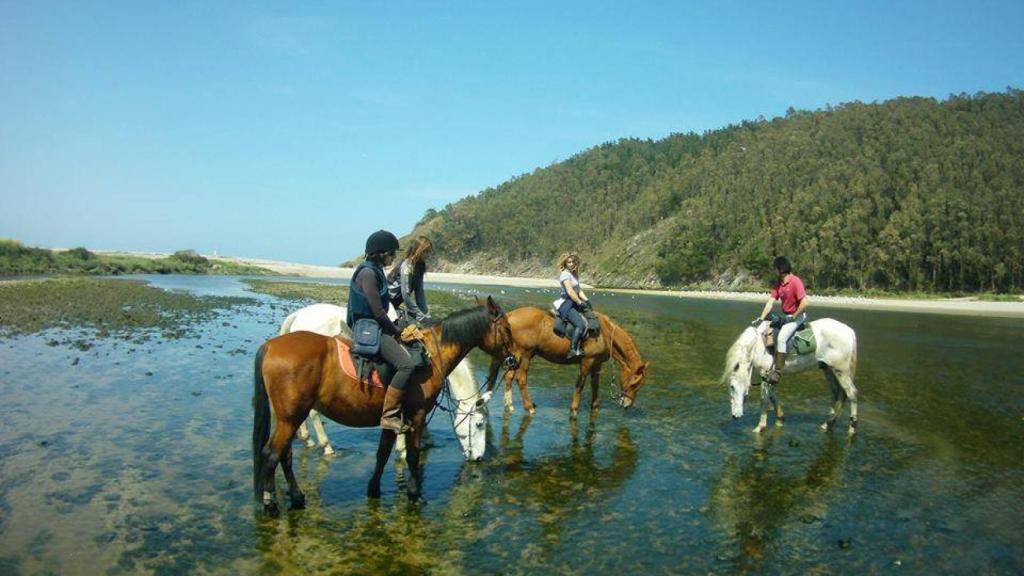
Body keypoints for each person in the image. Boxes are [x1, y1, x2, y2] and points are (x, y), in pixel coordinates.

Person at [347, 230, 418, 433]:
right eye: (391, 254)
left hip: (374, 324)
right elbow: (378, 312)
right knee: (406, 365)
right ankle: (389, 415)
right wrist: (396, 331)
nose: (394, 257)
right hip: (369, 328)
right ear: (381, 253)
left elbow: (386, 305)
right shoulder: (368, 274)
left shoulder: (375, 271)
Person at [755, 256, 809, 384]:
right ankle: (772, 360)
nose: (774, 271)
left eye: (775, 268)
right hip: (786, 316)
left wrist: (794, 316)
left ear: (780, 269)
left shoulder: (795, 281)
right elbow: (770, 303)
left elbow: (805, 303)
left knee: (781, 338)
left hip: (798, 316)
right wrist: (761, 318)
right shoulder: (778, 284)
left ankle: (777, 372)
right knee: (766, 330)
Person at [553, 252, 591, 358]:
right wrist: (580, 302)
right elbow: (570, 291)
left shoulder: (573, 275)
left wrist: (587, 301)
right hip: (566, 303)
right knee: (580, 325)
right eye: (569, 262)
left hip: (574, 301)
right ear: (565, 263)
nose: (571, 264)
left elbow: (578, 291)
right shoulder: (565, 274)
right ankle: (573, 349)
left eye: (573, 262)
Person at [387, 235, 432, 324]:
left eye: (429, 251)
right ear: (418, 251)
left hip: (396, 303)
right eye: (426, 251)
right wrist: (420, 316)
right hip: (387, 302)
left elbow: (419, 292)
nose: (428, 254)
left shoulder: (420, 266)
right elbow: (406, 295)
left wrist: (426, 315)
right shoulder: (407, 266)